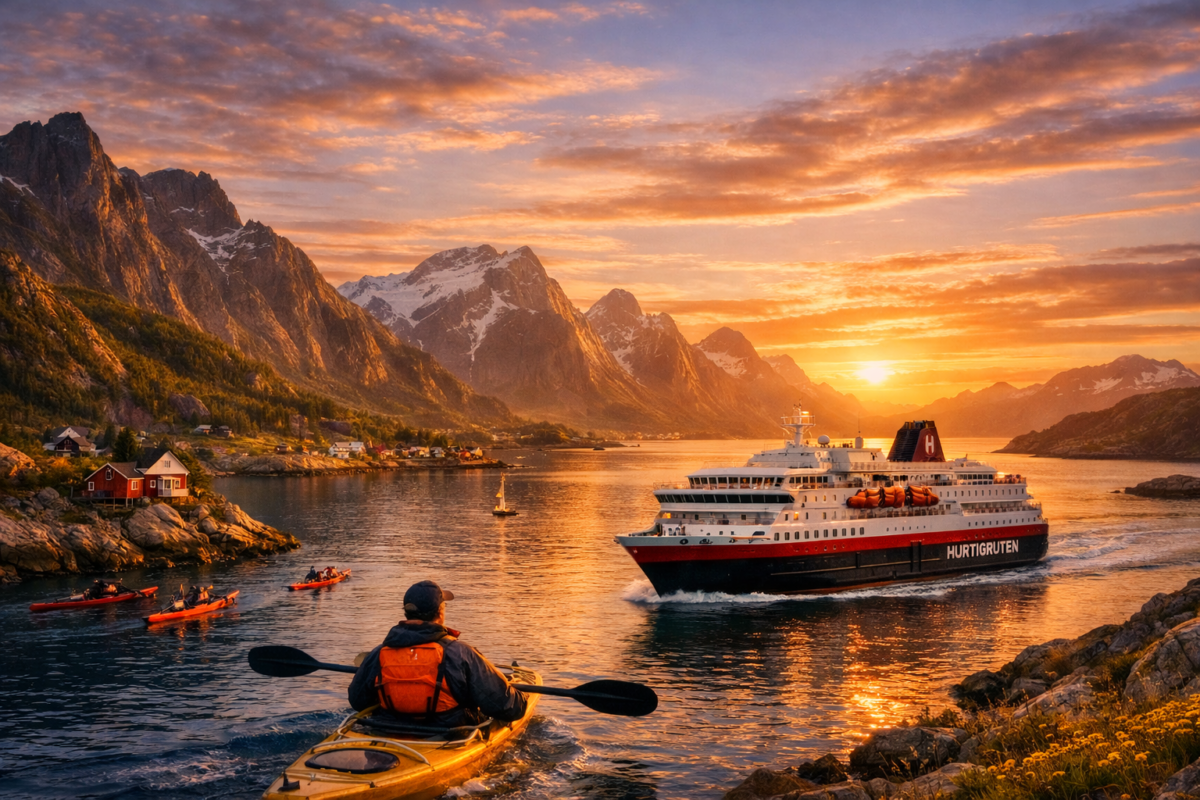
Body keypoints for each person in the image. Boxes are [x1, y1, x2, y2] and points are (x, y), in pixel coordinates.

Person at [348, 581, 528, 728]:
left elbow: (357, 701)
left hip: (388, 727)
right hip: (448, 734)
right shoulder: (460, 653)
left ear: (407, 613)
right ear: (440, 612)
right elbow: (509, 708)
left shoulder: (379, 653)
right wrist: (523, 697)